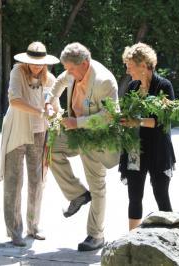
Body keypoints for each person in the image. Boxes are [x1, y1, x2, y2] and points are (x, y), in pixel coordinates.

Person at [45, 42, 119, 251]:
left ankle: (96, 236)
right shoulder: (71, 71)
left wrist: (78, 123)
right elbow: (59, 81)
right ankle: (77, 194)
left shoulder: (104, 81)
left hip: (97, 137)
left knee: (97, 187)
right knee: (50, 150)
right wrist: (50, 101)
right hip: (74, 130)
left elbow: (110, 116)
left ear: (85, 63)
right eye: (66, 67)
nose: (68, 72)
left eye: (71, 68)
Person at [0, 41, 59, 247]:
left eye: (40, 63)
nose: (36, 66)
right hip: (17, 130)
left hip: (40, 133)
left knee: (37, 181)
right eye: (33, 62)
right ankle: (15, 230)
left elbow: (54, 106)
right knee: (14, 181)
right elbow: (14, 100)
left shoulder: (49, 79)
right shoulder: (17, 72)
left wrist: (52, 112)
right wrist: (40, 111)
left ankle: (34, 226)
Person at [119, 42, 175, 231]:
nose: (128, 71)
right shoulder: (133, 86)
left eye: (130, 66)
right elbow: (126, 115)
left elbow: (163, 120)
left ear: (143, 65)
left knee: (161, 195)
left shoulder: (164, 86)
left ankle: (172, 241)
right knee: (134, 197)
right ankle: (132, 240)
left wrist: (137, 121)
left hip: (158, 149)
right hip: (135, 148)